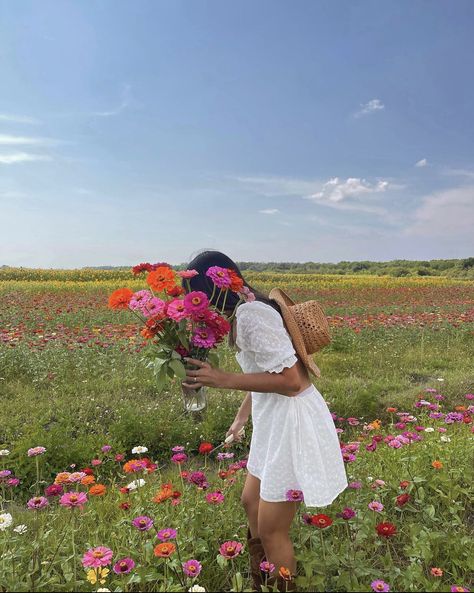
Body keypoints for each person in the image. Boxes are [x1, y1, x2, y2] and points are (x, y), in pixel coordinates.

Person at [180, 249, 348, 592]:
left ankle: (278, 585)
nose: (196, 308)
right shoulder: (245, 310)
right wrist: (242, 416)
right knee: (250, 502)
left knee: (272, 529)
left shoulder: (252, 316)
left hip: (292, 423)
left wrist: (223, 379)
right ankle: (263, 579)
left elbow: (290, 381)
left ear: (214, 291)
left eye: (196, 299)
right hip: (274, 420)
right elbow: (266, 370)